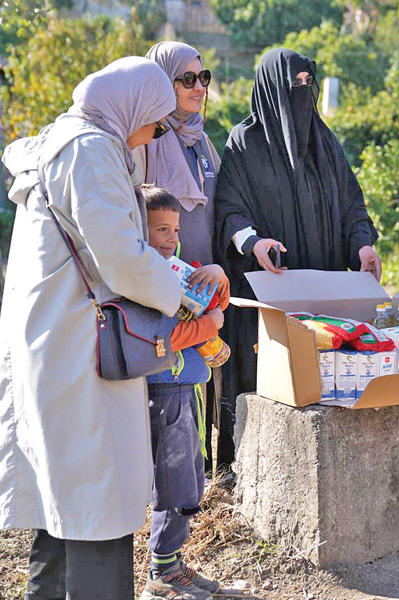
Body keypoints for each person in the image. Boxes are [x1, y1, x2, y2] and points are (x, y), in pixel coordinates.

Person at [0, 57, 182, 600]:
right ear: (131, 106)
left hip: (53, 337)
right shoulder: (92, 150)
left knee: (63, 500)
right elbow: (121, 257)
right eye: (156, 119)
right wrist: (180, 294)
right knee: (97, 503)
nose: (155, 132)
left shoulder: (63, 140)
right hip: (78, 346)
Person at [214, 48, 380, 455]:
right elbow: (230, 209)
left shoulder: (323, 141)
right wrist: (254, 243)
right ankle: (253, 465)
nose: (303, 92)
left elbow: (353, 205)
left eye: (309, 83)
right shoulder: (245, 143)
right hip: (270, 289)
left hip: (320, 285)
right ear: (272, 88)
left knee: (320, 381)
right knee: (266, 383)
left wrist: (362, 244)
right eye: (294, 84)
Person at [137, 41, 227, 477]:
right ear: (161, 82)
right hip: (161, 288)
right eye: (186, 78)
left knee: (198, 378)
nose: (198, 87)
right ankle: (167, 495)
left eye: (203, 77)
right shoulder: (147, 139)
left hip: (200, 281)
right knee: (169, 387)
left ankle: (195, 479)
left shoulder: (201, 140)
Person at [140, 185, 230, 600]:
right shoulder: (143, 279)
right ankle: (163, 569)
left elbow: (215, 298)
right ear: (138, 231)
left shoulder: (177, 268)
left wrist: (218, 274)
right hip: (167, 388)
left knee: (190, 473)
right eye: (161, 229)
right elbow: (172, 335)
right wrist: (211, 324)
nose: (171, 238)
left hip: (186, 388)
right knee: (175, 479)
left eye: (174, 228)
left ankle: (172, 562)